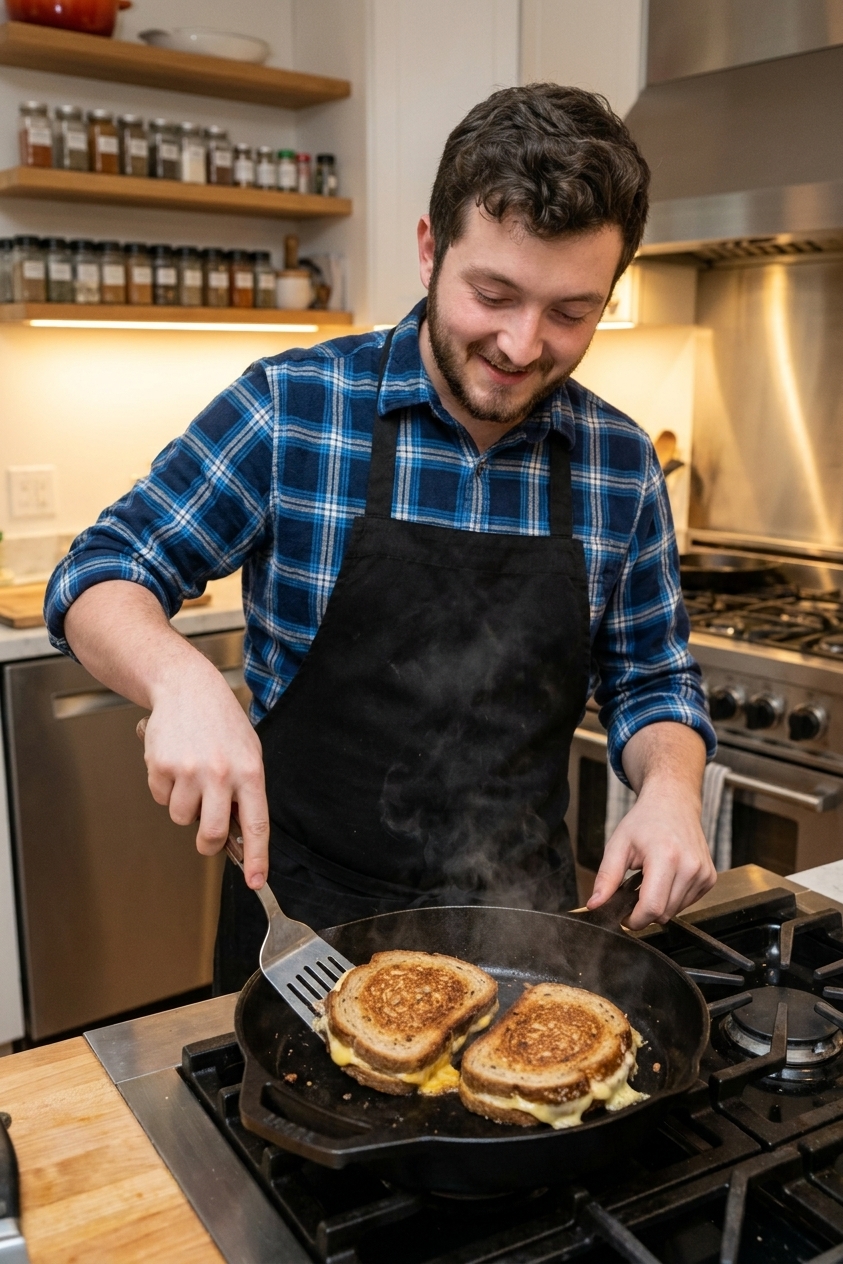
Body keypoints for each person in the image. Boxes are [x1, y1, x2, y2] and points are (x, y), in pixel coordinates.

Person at [45, 84, 717, 993]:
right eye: (494, 294)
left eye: (570, 311)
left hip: (523, 931)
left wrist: (672, 789)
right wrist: (179, 679)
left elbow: (651, 677)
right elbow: (100, 570)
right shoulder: (294, 407)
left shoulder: (619, 463)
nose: (523, 345)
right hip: (305, 933)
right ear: (429, 248)